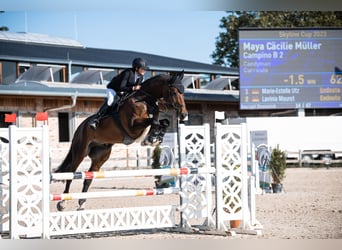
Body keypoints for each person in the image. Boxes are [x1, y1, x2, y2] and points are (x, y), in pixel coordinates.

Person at [89, 57, 148, 129]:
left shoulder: (141, 77)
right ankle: (96, 119)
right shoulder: (127, 73)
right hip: (113, 89)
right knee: (110, 101)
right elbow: (121, 87)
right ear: (136, 68)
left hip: (124, 92)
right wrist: (133, 88)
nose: (144, 70)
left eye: (145, 69)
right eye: (142, 69)